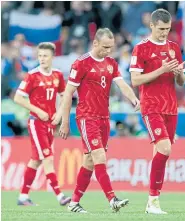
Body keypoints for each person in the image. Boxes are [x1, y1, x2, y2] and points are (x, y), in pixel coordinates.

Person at [52, 28, 140, 213]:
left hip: (104, 118)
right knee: (100, 156)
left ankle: (74, 202)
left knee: (90, 162)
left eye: (111, 48)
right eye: (105, 47)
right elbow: (68, 93)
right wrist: (65, 122)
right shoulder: (81, 63)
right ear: (95, 43)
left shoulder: (111, 63)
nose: (108, 51)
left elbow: (122, 84)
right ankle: (112, 199)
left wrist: (133, 99)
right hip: (87, 117)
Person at [129, 9, 185, 214]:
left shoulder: (174, 48)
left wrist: (179, 74)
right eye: (161, 29)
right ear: (152, 26)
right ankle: (153, 200)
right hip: (151, 106)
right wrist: (161, 70)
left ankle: (152, 202)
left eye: (168, 29)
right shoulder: (141, 48)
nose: (164, 33)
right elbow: (135, 80)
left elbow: (181, 82)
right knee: (165, 148)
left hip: (171, 107)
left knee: (161, 152)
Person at [14, 42, 71, 206]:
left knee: (36, 160)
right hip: (36, 123)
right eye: (39, 56)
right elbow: (18, 98)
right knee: (47, 158)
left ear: (52, 57)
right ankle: (60, 196)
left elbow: (64, 96)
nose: (42, 59)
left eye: (45, 56)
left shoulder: (58, 75)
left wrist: (59, 114)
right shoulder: (32, 75)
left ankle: (23, 197)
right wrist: (37, 111)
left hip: (50, 124)